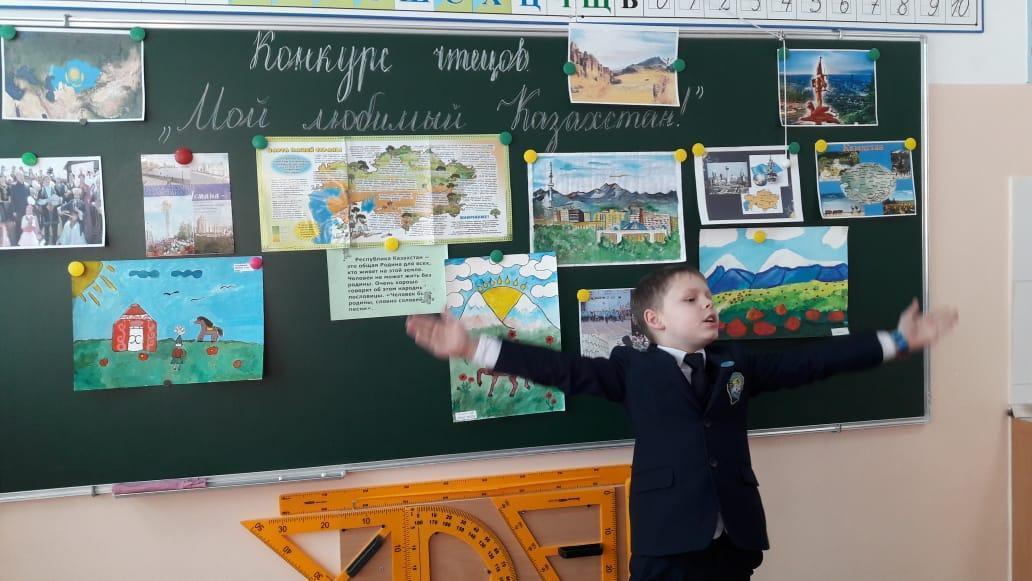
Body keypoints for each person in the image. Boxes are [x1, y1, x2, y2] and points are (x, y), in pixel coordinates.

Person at [406, 264, 958, 580]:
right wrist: (475, 348)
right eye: (692, 299)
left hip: (734, 537)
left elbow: (812, 362)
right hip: (666, 541)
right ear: (655, 319)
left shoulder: (736, 364)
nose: (709, 305)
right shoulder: (631, 369)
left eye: (710, 297)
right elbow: (562, 370)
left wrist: (897, 341)